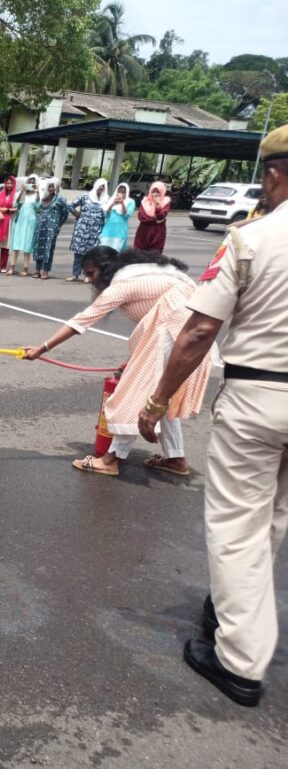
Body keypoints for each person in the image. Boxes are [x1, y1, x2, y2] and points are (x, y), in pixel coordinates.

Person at [137, 124, 288, 708]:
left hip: (259, 401)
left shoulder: (251, 240)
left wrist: (156, 401)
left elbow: (200, 329)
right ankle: (234, 607)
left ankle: (239, 662)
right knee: (273, 518)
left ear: (273, 174)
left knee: (237, 524)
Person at [22, 246, 211, 477]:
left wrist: (41, 349)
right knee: (161, 395)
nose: (87, 280)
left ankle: (111, 460)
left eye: (91, 274)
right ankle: (175, 458)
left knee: (136, 391)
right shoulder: (145, 271)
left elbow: (81, 321)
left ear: (105, 269)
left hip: (176, 330)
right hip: (196, 331)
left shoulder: (122, 284)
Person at [67, 178, 109, 282]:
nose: (101, 189)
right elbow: (71, 205)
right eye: (100, 186)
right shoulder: (86, 196)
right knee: (78, 253)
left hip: (97, 230)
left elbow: (110, 213)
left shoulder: (107, 199)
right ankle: (75, 274)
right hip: (82, 229)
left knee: (92, 255)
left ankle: (88, 275)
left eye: (103, 187)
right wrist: (77, 214)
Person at [30, 178, 68, 280]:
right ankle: (37, 270)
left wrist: (57, 224)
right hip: (41, 227)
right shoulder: (44, 199)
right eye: (49, 187)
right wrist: (37, 195)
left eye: (53, 187)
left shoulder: (60, 199)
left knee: (48, 249)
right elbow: (37, 208)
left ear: (57, 188)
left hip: (52, 228)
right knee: (39, 248)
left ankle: (45, 270)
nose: (51, 189)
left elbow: (65, 214)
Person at [8, 175, 38, 276]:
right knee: (16, 243)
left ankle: (25, 268)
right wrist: (22, 191)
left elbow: (38, 206)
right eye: (29, 182)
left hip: (30, 222)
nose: (31, 184)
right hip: (20, 221)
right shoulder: (21, 194)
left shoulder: (36, 195)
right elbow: (14, 204)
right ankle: (12, 267)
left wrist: (37, 192)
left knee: (27, 245)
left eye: (32, 183)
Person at [133, 181, 171, 252]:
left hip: (158, 232)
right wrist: (154, 219)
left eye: (158, 193)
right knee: (139, 252)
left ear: (162, 193)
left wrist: (158, 205)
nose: (154, 195)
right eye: (153, 192)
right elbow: (141, 216)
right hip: (144, 231)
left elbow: (161, 216)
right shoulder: (145, 202)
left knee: (155, 253)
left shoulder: (165, 202)